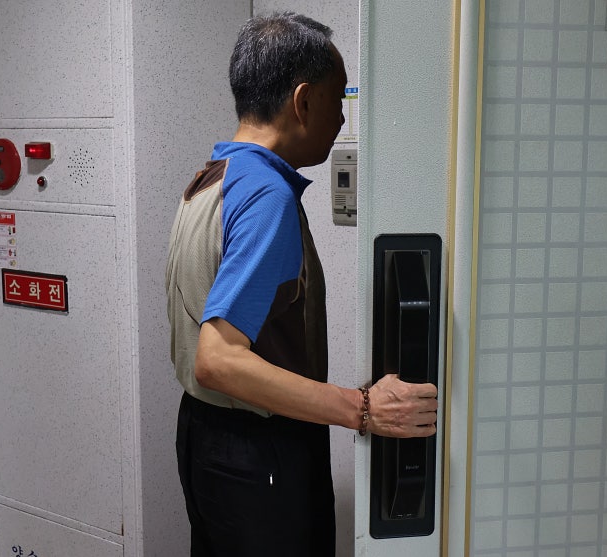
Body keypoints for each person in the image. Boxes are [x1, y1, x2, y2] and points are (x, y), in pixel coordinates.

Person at [165, 12, 438, 557]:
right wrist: (362, 408)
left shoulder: (211, 178)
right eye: (338, 99)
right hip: (258, 450)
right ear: (303, 101)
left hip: (204, 435)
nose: (341, 118)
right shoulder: (266, 197)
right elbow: (218, 359)